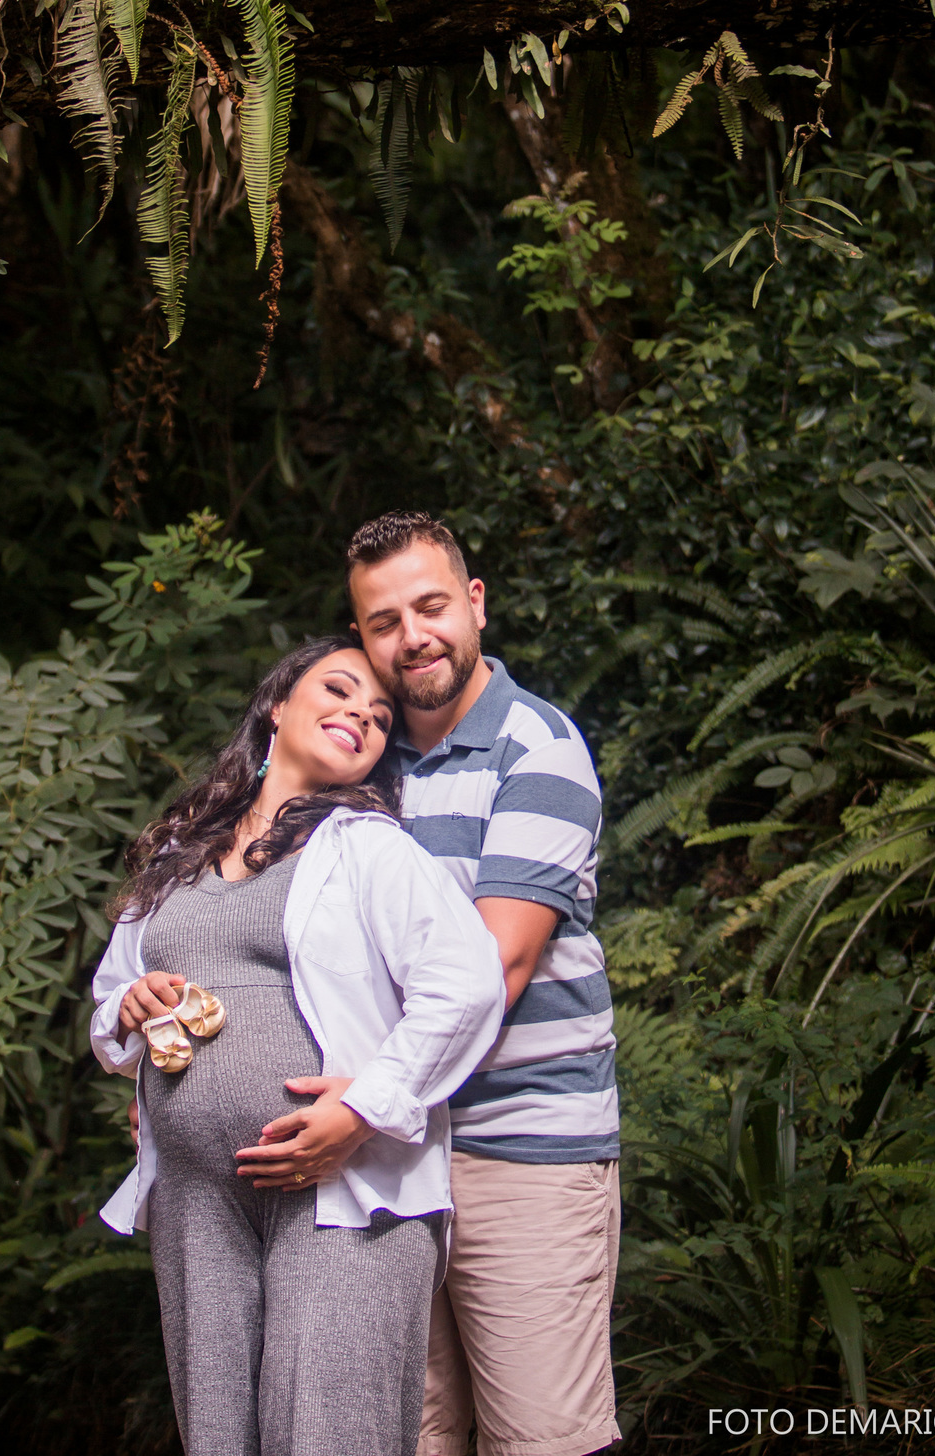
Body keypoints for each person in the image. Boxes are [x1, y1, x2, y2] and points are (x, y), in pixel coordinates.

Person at [90, 635, 506, 1456]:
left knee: (326, 1434)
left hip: (339, 1190)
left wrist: (363, 1108)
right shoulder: (179, 852)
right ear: (277, 706)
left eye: (380, 715)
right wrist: (130, 1009)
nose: (362, 715)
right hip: (198, 1200)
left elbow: (467, 985)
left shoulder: (368, 845)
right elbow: (112, 1002)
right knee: (217, 1439)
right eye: (339, 690)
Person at [345, 512, 621, 1456]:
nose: (412, 637)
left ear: (475, 604)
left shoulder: (538, 748)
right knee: (409, 1437)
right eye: (384, 622)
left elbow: (494, 969)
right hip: (390, 1157)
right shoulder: (357, 763)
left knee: (543, 1439)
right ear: (361, 638)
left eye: (430, 608)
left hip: (521, 1150)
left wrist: (361, 1100)